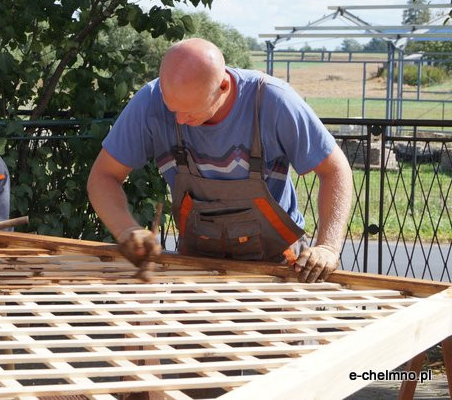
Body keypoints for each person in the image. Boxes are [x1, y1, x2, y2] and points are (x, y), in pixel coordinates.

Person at [87, 38, 353, 283]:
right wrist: (126, 231)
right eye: (172, 108)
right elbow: (103, 177)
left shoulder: (273, 101)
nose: (179, 120)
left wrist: (328, 246)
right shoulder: (150, 101)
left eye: (189, 111)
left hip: (277, 268)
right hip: (196, 266)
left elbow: (335, 170)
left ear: (223, 86)